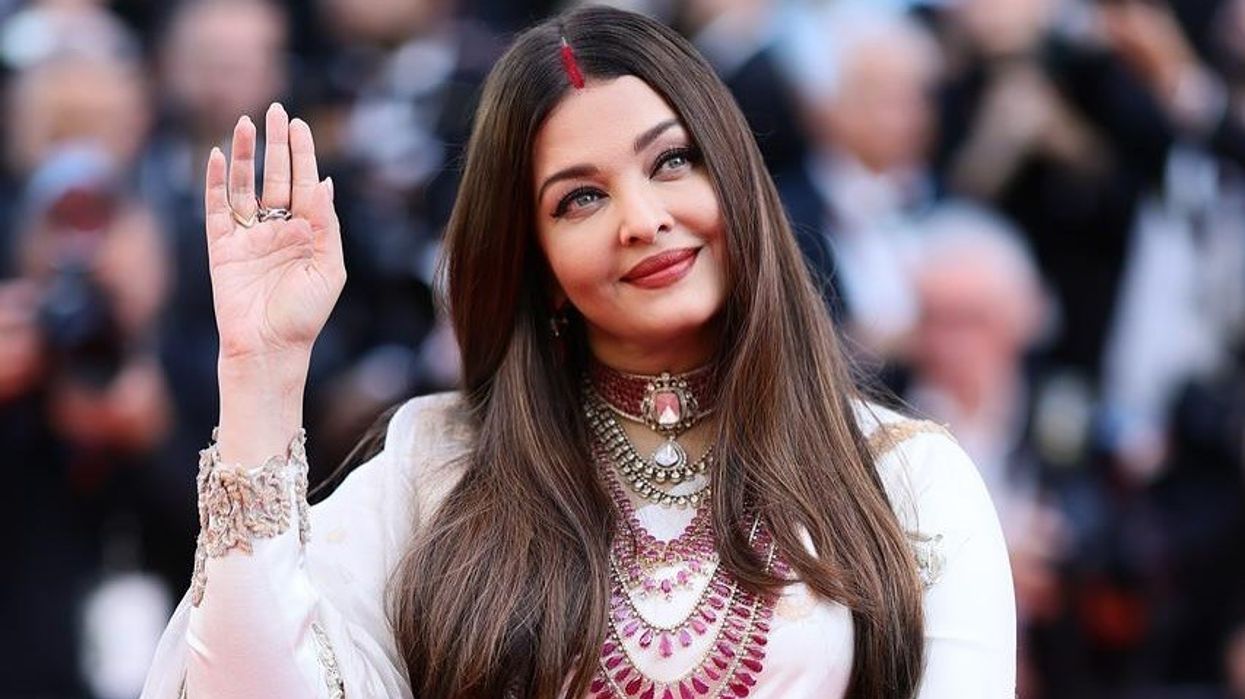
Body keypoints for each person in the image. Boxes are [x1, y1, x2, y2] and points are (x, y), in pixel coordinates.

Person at [141, 6, 1015, 698]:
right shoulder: (440, 470)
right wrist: (261, 371)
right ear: (542, 267)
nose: (641, 217)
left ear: (736, 178)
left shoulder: (904, 480)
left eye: (671, 162)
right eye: (580, 199)